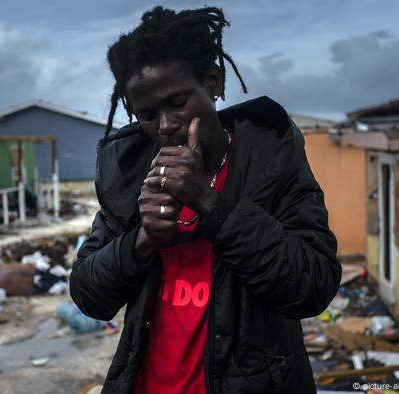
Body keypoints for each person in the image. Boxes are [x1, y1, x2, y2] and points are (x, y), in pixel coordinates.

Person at [70, 6, 341, 393]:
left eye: (178, 103)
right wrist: (141, 240)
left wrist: (210, 204)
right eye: (147, 114)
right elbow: (88, 294)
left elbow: (312, 286)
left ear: (213, 83)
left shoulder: (271, 162)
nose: (165, 126)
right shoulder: (130, 177)